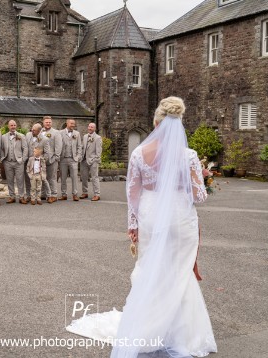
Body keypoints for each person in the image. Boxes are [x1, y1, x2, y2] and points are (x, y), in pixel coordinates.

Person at [67, 96, 217, 358]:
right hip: (181, 221)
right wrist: (202, 176)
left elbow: (132, 192)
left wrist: (133, 225)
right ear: (178, 124)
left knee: (151, 269)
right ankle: (183, 335)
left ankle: (146, 328)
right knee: (180, 272)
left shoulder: (139, 153)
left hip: (150, 217)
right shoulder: (189, 156)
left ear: (155, 123)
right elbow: (199, 197)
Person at [0, 120, 28, 204]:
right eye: (11, 125)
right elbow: (1, 148)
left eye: (14, 125)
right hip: (7, 161)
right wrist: (2, 158)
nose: (13, 127)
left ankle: (21, 196)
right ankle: (12, 196)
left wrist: (23, 159)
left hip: (18, 161)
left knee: (20, 180)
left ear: (16, 126)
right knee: (9, 180)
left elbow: (25, 148)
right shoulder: (3, 137)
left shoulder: (21, 136)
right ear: (8, 126)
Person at [24, 123, 50, 202]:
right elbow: (25, 147)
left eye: (34, 130)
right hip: (29, 163)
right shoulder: (28, 135)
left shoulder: (45, 139)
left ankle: (48, 195)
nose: (32, 131)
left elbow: (47, 153)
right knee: (28, 180)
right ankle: (29, 196)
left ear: (39, 131)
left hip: (39, 164)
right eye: (32, 129)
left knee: (44, 180)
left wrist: (41, 161)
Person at [59, 118, 82, 201]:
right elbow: (58, 145)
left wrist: (78, 156)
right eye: (71, 123)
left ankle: (75, 194)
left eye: (74, 124)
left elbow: (79, 146)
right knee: (63, 177)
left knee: (74, 178)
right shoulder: (60, 133)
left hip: (73, 159)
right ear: (67, 123)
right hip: (63, 159)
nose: (73, 125)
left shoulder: (77, 133)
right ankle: (64, 194)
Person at [41, 116, 62, 203]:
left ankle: (54, 195)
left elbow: (58, 146)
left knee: (52, 177)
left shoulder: (56, 132)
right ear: (43, 123)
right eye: (46, 122)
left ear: (51, 123)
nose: (48, 123)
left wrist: (56, 157)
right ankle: (43, 194)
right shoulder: (40, 132)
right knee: (42, 177)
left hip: (52, 159)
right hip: (41, 159)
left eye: (49, 122)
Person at [80, 122, 102, 201]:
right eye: (89, 126)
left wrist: (95, 160)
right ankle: (85, 192)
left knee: (94, 177)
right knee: (84, 177)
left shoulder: (98, 138)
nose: (89, 128)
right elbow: (83, 147)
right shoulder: (85, 136)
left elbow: (98, 152)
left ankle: (97, 194)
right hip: (83, 160)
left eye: (92, 127)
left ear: (95, 129)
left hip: (93, 161)